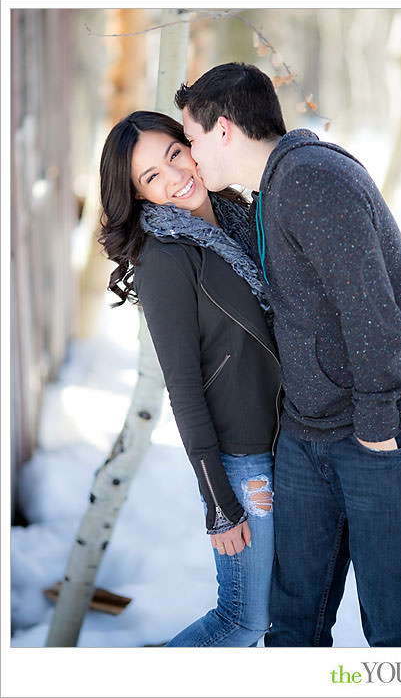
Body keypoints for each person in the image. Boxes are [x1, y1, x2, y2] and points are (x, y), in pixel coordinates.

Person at [174, 62, 401, 647]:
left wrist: (375, 424)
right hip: (310, 433)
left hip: (381, 429)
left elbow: (374, 310)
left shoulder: (313, 179)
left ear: (223, 130)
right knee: (293, 623)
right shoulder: (271, 191)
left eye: (190, 139)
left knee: (394, 628)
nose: (190, 156)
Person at [98, 110, 281, 646]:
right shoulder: (164, 258)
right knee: (242, 619)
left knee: (280, 611)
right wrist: (217, 502)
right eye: (151, 177)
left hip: (289, 437)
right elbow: (183, 388)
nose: (175, 177)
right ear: (140, 197)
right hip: (242, 457)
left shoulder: (242, 218)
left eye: (174, 154)